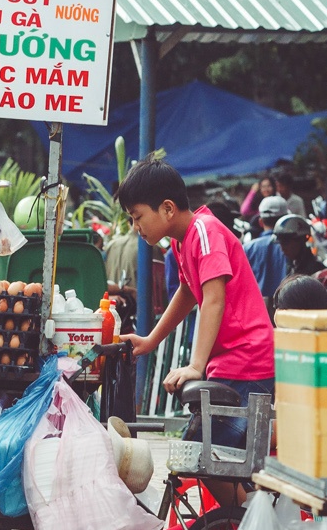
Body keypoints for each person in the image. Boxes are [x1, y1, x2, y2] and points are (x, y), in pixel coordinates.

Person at [116, 160, 276, 451]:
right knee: (209, 457)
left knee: (200, 453)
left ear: (167, 208)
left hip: (247, 358)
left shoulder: (204, 231)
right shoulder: (181, 241)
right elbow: (187, 291)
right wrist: (150, 341)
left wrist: (195, 366)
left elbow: (214, 299)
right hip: (230, 361)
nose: (135, 227)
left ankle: (247, 498)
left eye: (137, 216)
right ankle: (244, 498)